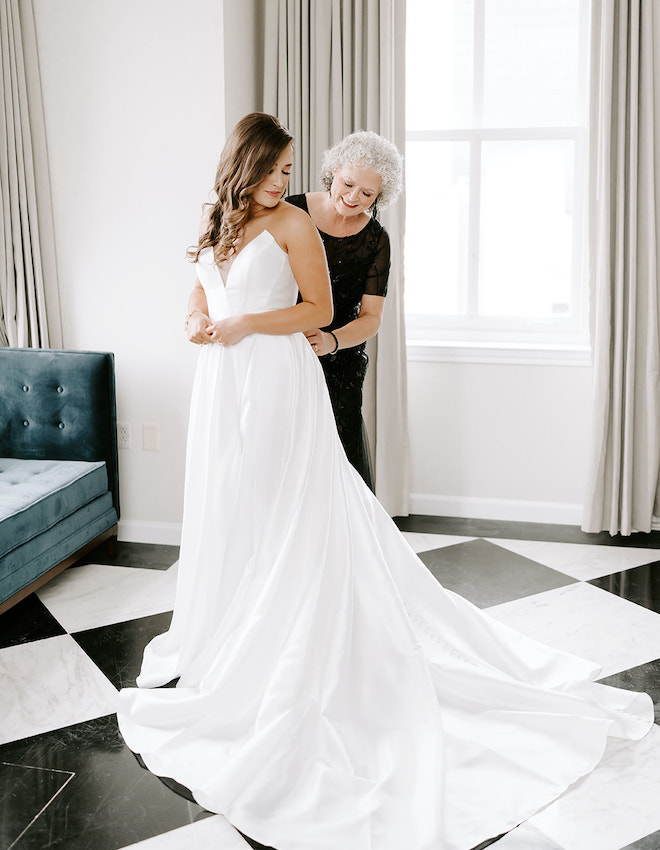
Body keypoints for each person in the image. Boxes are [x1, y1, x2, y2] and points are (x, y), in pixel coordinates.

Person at [117, 113, 652, 850]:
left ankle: (299, 637)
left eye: (360, 191)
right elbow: (200, 296)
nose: (298, 186)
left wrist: (254, 330)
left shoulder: (315, 231)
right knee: (232, 505)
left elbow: (331, 312)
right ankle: (228, 632)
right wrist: (196, 324)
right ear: (250, 167)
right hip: (222, 384)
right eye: (285, 172)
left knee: (303, 504)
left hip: (281, 374)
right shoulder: (226, 219)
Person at [287, 130, 402, 490]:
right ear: (333, 171)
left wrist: (331, 341)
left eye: (367, 194)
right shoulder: (291, 210)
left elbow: (371, 318)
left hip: (340, 361)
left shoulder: (376, 240)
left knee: (338, 462)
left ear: (380, 195)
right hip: (284, 349)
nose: (353, 197)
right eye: (348, 184)